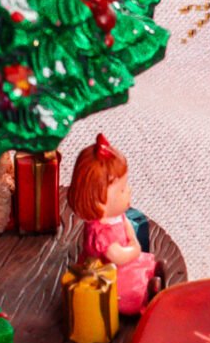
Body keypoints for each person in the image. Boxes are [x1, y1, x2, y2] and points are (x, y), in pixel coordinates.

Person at [66, 131, 159, 314]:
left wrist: (132, 238)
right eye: (122, 189)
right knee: (130, 289)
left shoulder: (116, 217)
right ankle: (144, 295)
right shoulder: (102, 234)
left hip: (126, 262)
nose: (129, 191)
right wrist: (135, 249)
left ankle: (152, 283)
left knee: (146, 264)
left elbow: (127, 228)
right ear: (99, 202)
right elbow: (117, 256)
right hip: (110, 273)